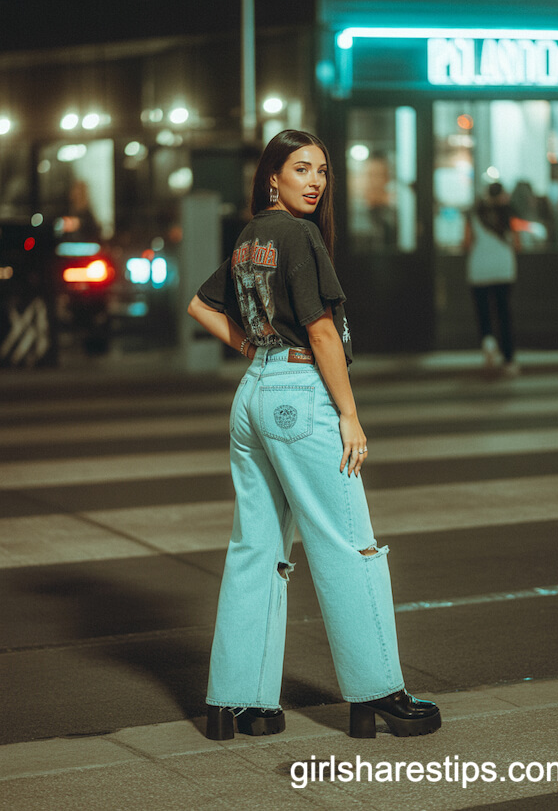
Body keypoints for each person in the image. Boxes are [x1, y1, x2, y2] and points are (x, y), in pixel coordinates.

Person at [187, 129, 441, 741]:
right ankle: (379, 691)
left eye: (322, 171)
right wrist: (349, 415)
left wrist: (257, 351)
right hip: (300, 398)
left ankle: (238, 703)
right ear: (272, 177)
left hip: (253, 394)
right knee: (348, 543)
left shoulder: (251, 235)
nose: (315, 182)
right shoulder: (298, 235)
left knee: (256, 548)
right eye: (301, 169)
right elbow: (322, 333)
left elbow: (200, 305)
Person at [464, 182, 520, 376]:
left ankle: (488, 342)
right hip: (504, 269)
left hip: (479, 269)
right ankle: (509, 360)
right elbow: (518, 244)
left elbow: (466, 242)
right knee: (504, 314)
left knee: (484, 312)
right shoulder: (507, 214)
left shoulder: (474, 215)